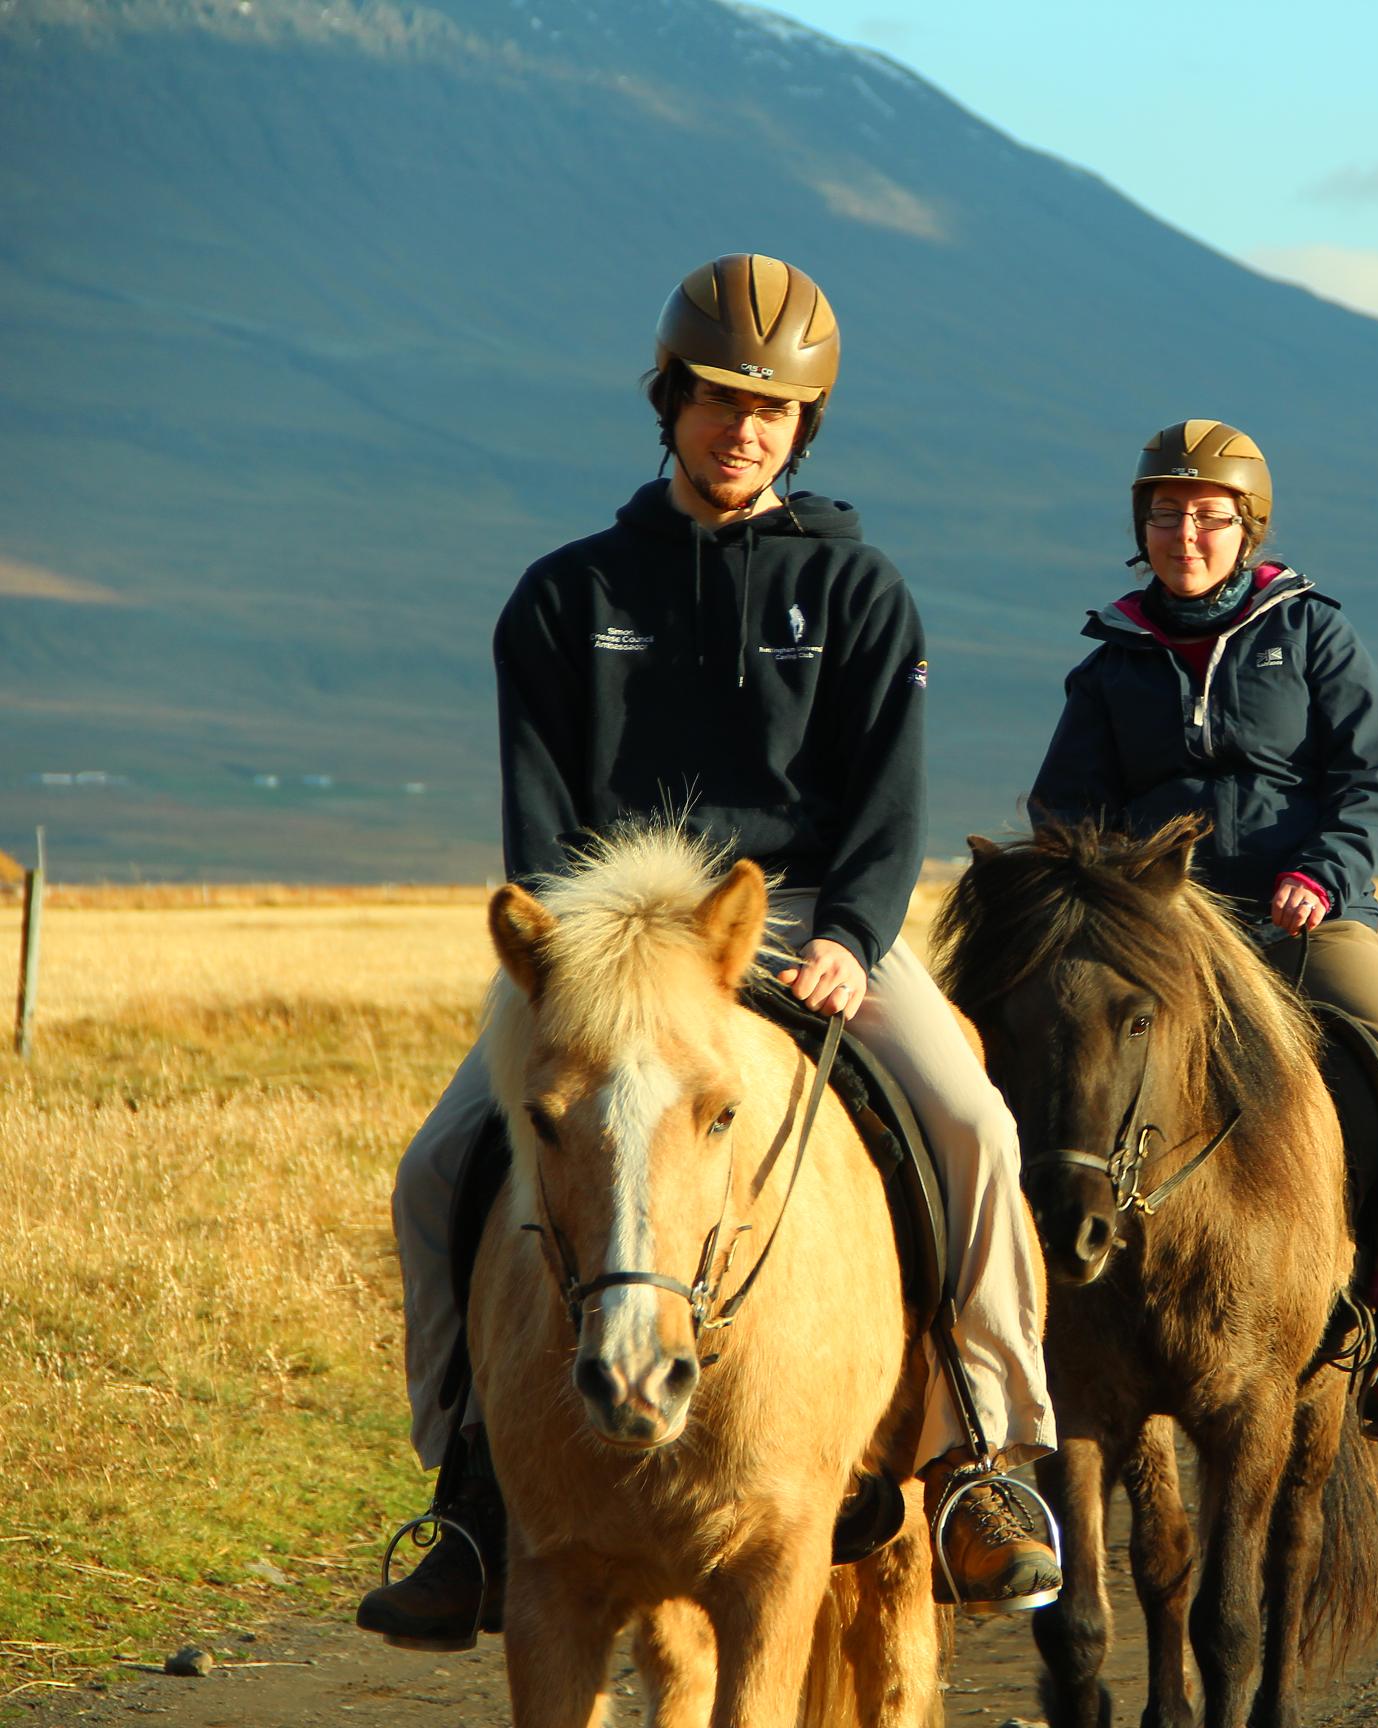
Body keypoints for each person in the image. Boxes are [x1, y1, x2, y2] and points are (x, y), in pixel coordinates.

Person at [356, 253, 1060, 1652]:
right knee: (438, 1170)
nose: (745, 429)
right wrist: (574, 963)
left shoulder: (859, 592)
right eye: (722, 401)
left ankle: (979, 1456)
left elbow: (887, 806)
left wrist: (855, 938)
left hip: (803, 927)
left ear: (805, 427)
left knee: (973, 1124)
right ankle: (471, 1493)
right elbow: (542, 829)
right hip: (612, 953)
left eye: (774, 410)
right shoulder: (565, 596)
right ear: (669, 402)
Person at [1027, 418, 1378, 1441]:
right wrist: (1123, 896)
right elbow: (1066, 811)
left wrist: (1321, 873)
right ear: (1141, 527)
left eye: (1208, 516)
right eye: (1166, 514)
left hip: (1298, 921)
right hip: (1168, 932)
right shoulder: (1110, 664)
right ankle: (1036, 1307)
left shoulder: (1310, 633)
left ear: (1247, 527)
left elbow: (1370, 777)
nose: (1186, 534)